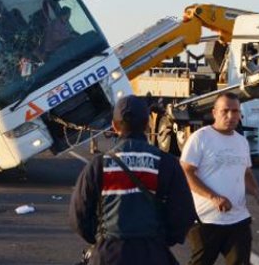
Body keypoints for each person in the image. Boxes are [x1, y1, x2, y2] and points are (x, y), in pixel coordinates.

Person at [69, 95, 196, 265]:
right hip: (153, 253)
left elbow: (79, 215)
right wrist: (161, 239)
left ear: (114, 126)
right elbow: (183, 213)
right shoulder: (166, 163)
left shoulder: (98, 165)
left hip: (109, 254)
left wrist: (103, 238)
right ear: (147, 124)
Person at [180, 92, 259, 265]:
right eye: (225, 111)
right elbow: (186, 172)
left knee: (240, 262)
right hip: (205, 219)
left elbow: (245, 173)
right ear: (214, 113)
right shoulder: (200, 138)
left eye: (235, 111)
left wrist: (257, 191)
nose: (231, 116)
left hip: (238, 218)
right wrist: (213, 197)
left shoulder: (241, 142)